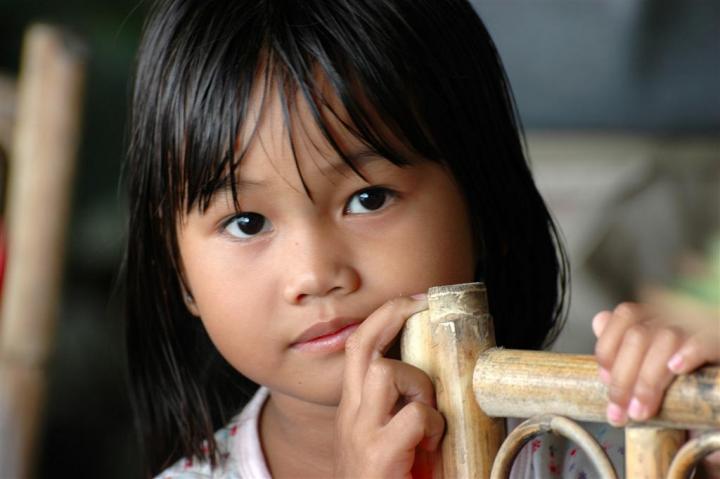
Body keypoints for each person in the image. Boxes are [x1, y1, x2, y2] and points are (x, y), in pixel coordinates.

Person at [123, 0, 718, 477]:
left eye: (368, 198)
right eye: (246, 223)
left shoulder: (583, 451)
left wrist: (694, 417)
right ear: (179, 268)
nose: (315, 273)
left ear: (483, 203)